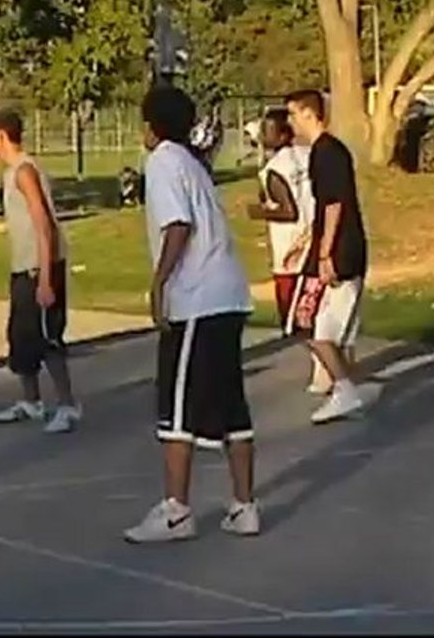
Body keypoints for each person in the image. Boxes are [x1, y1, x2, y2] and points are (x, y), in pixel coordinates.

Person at [124, 85, 259, 543]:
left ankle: (176, 512)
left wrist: (159, 283)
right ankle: (243, 506)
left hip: (197, 298)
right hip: (228, 297)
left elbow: (178, 225)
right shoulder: (192, 163)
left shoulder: (163, 160)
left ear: (151, 126)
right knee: (230, 405)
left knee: (176, 409)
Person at [0, 110, 80, 434]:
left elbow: (43, 225)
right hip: (23, 267)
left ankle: (67, 405)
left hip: (40, 267)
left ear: (2, 136)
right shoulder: (12, 172)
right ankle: (31, 401)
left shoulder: (25, 171)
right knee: (21, 337)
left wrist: (46, 279)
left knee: (48, 339)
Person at [245, 109, 351, 395]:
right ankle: (329, 368)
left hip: (290, 250)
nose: (263, 135)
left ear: (283, 134)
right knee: (319, 311)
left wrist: (258, 211)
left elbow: (288, 210)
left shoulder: (273, 170)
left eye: (269, 129)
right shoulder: (307, 155)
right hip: (313, 240)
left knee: (297, 319)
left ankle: (330, 371)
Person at [283, 89, 368, 425]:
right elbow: (324, 208)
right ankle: (343, 389)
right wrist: (307, 240)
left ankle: (345, 390)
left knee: (316, 330)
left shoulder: (327, 152)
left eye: (293, 114)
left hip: (340, 251)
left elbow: (334, 205)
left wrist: (325, 253)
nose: (289, 121)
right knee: (316, 327)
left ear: (309, 113)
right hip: (332, 245)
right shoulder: (324, 152)